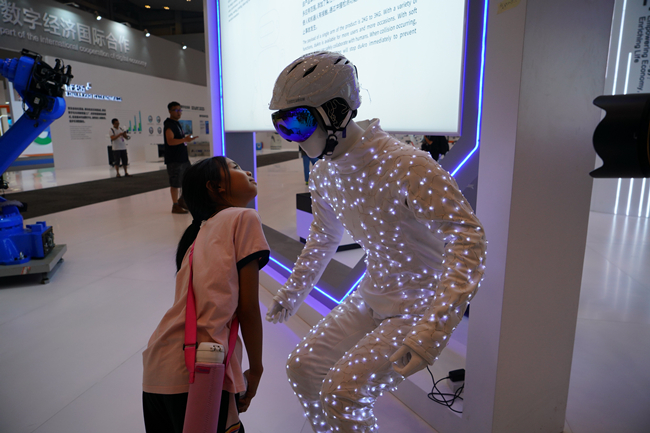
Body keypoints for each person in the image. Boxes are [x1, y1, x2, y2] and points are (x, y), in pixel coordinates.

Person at [266, 51, 487, 433]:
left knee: (343, 392)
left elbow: (468, 238)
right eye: (282, 126)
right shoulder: (324, 174)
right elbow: (323, 237)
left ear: (336, 112)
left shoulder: (407, 165)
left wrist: (431, 332)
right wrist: (291, 292)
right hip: (372, 294)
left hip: (418, 303)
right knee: (302, 367)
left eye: (299, 122)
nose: (293, 138)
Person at [142, 156, 269, 433]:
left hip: (158, 369)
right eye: (234, 168)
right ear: (215, 187)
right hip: (202, 369)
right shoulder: (243, 217)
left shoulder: (198, 233)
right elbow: (247, 308)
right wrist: (256, 370)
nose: (246, 170)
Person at [164, 101, 198, 214]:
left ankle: (182, 200)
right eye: (176, 110)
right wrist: (185, 140)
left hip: (183, 158)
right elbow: (170, 141)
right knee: (175, 183)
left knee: (188, 180)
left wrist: (186, 140)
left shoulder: (177, 124)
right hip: (175, 160)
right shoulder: (169, 124)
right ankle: (175, 205)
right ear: (170, 111)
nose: (179, 113)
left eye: (180, 110)